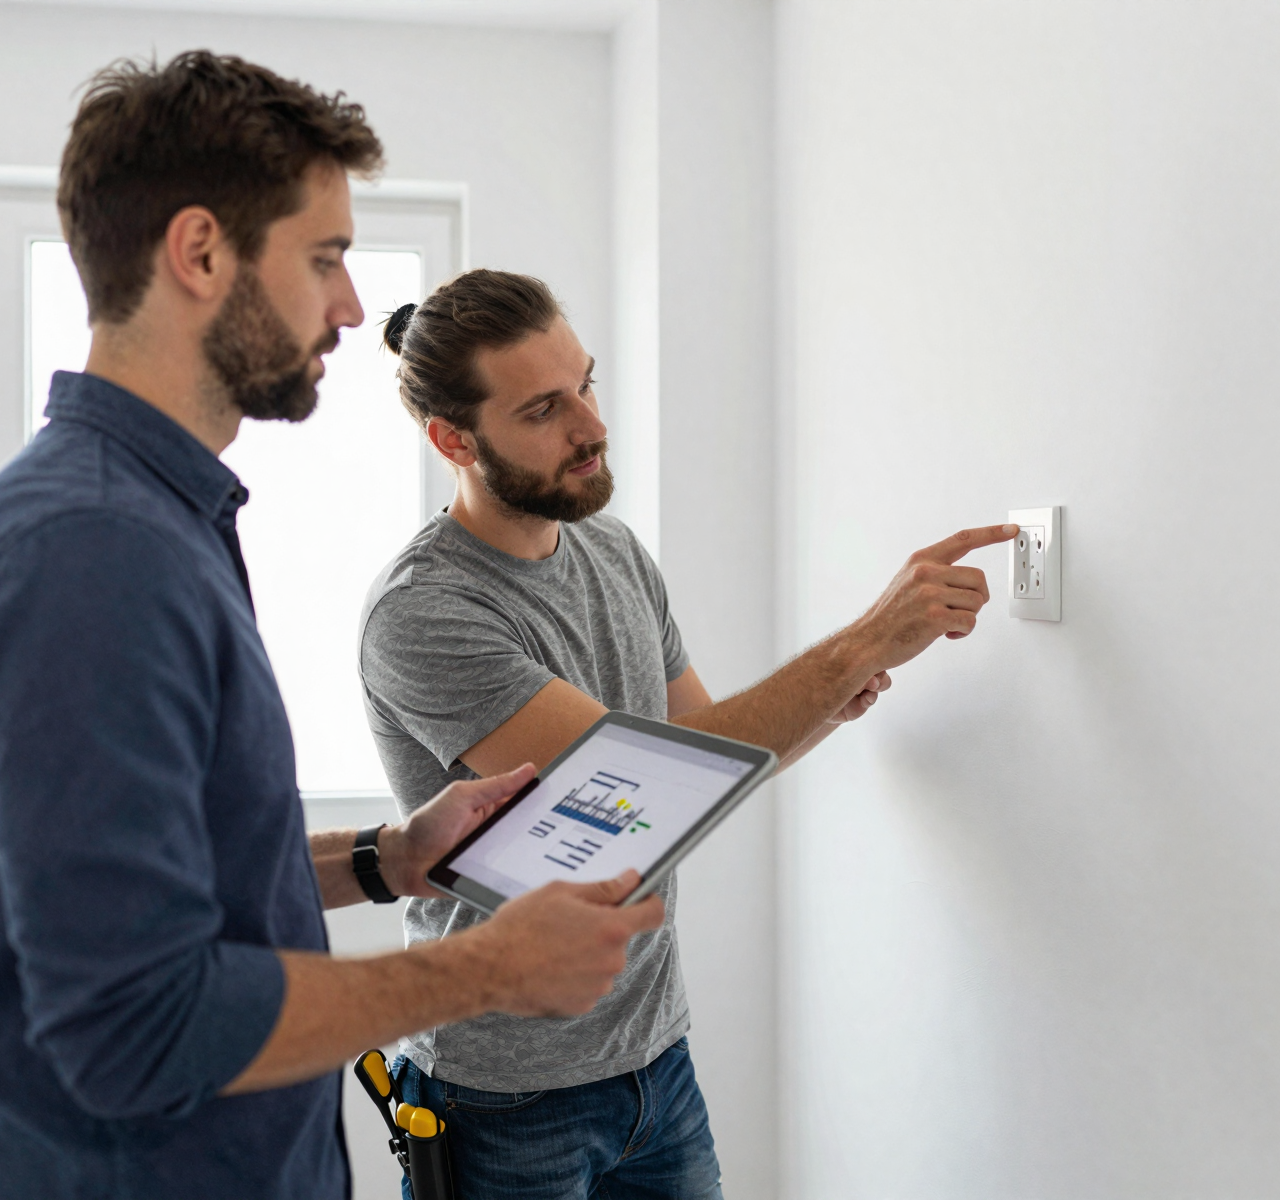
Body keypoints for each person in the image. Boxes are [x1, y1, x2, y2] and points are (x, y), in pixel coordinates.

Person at [0, 53, 663, 1200]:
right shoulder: (91, 555)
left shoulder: (162, 516)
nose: (353, 308)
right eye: (325, 259)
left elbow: (181, 886)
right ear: (201, 251)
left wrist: (387, 859)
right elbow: (133, 1024)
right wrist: (482, 970)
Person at [358, 269, 1017, 1199]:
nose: (590, 427)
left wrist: (828, 700)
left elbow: (699, 749)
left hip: (654, 1060)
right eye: (544, 409)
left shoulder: (614, 550)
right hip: (502, 1097)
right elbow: (634, 792)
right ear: (451, 438)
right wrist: (863, 639)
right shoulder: (426, 612)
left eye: (585, 385)